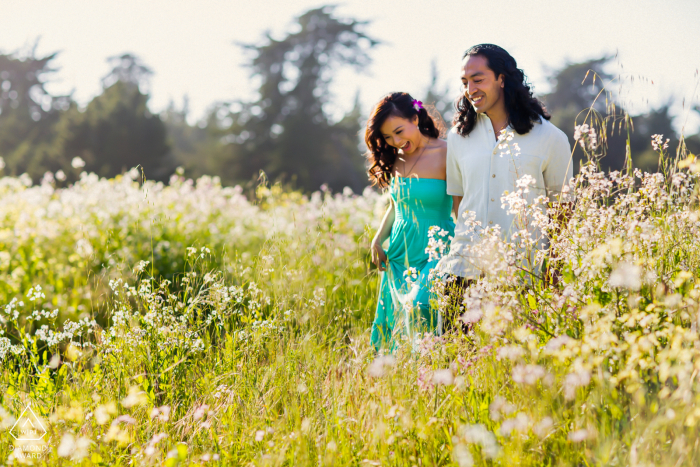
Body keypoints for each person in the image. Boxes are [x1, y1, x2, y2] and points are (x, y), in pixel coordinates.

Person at [436, 44, 573, 330]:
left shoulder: (550, 137)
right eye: (464, 83)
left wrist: (554, 270)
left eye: (478, 79)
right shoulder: (458, 138)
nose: (470, 89)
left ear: (502, 78)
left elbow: (563, 210)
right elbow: (459, 204)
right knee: (451, 364)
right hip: (463, 270)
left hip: (523, 274)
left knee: (513, 370)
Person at [366, 92, 457, 352]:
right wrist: (378, 238)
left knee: (421, 305)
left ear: (415, 118)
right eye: (387, 137)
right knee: (396, 322)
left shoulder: (447, 152)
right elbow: (397, 205)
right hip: (399, 252)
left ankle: (430, 370)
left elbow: (460, 206)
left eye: (398, 131)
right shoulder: (396, 158)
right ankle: (401, 382)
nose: (395, 142)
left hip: (436, 248)